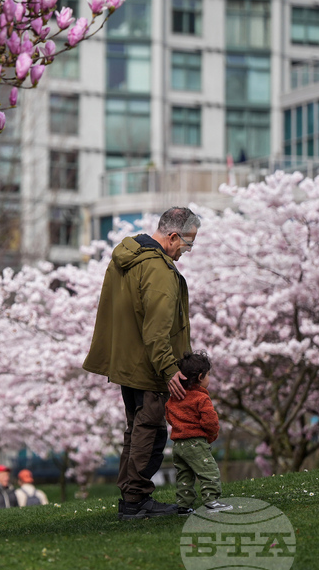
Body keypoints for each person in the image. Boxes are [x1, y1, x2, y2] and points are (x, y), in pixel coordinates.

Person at [83, 207, 201, 521]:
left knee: (136, 429)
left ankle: (131, 498)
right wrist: (169, 369)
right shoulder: (158, 270)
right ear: (173, 236)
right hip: (150, 366)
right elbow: (156, 328)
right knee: (150, 431)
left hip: (128, 362)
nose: (185, 253)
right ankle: (136, 500)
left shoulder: (126, 256)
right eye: (186, 245)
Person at [165, 351, 233, 515]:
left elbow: (168, 415)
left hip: (178, 444)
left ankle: (184, 506)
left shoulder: (174, 398)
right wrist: (212, 435)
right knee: (208, 471)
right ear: (201, 376)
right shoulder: (201, 398)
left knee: (184, 476)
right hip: (195, 442)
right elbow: (210, 421)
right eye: (208, 375)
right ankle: (212, 502)